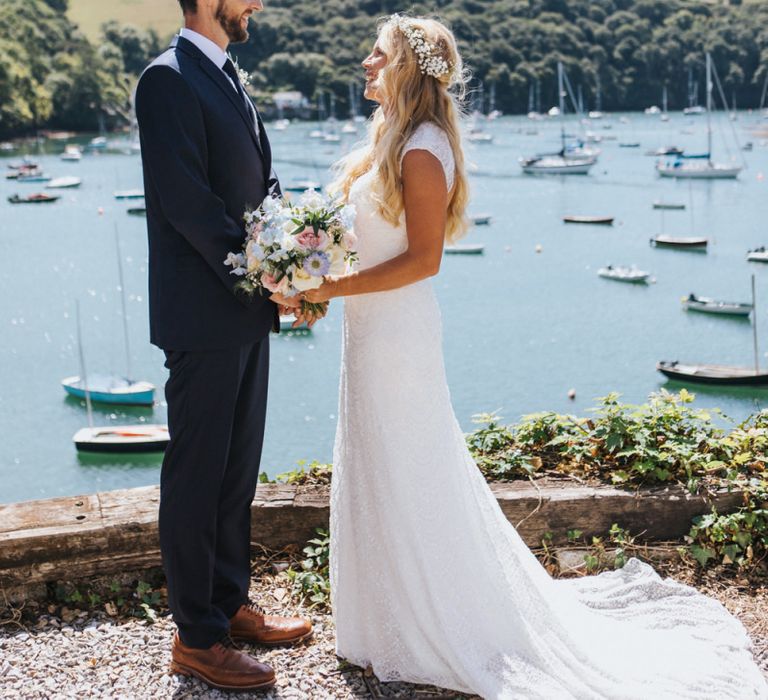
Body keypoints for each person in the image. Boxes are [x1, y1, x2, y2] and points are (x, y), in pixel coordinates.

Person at [302, 14, 768, 699]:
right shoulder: (388, 138)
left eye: (377, 54)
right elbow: (369, 240)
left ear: (405, 66)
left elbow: (423, 260)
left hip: (398, 337)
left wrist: (331, 287)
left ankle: (437, 620)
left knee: (409, 462)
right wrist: (311, 278)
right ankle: (385, 621)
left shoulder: (423, 150)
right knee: (377, 461)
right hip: (368, 331)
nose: (365, 63)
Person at [135, 0, 311, 691]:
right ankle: (196, 638)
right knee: (197, 474)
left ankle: (229, 603)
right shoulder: (166, 79)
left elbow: (260, 185)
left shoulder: (229, 75)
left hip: (245, 310)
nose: (256, 5)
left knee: (236, 471)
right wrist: (264, 273)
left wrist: (293, 257)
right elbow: (187, 204)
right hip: (203, 315)